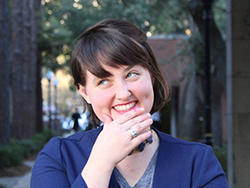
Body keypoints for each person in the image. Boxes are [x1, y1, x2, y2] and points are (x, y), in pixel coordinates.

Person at [31, 19, 228, 188]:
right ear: (85, 92)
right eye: (103, 81)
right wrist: (101, 163)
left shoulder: (198, 162)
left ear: (151, 76)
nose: (124, 94)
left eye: (132, 74)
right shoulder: (57, 158)